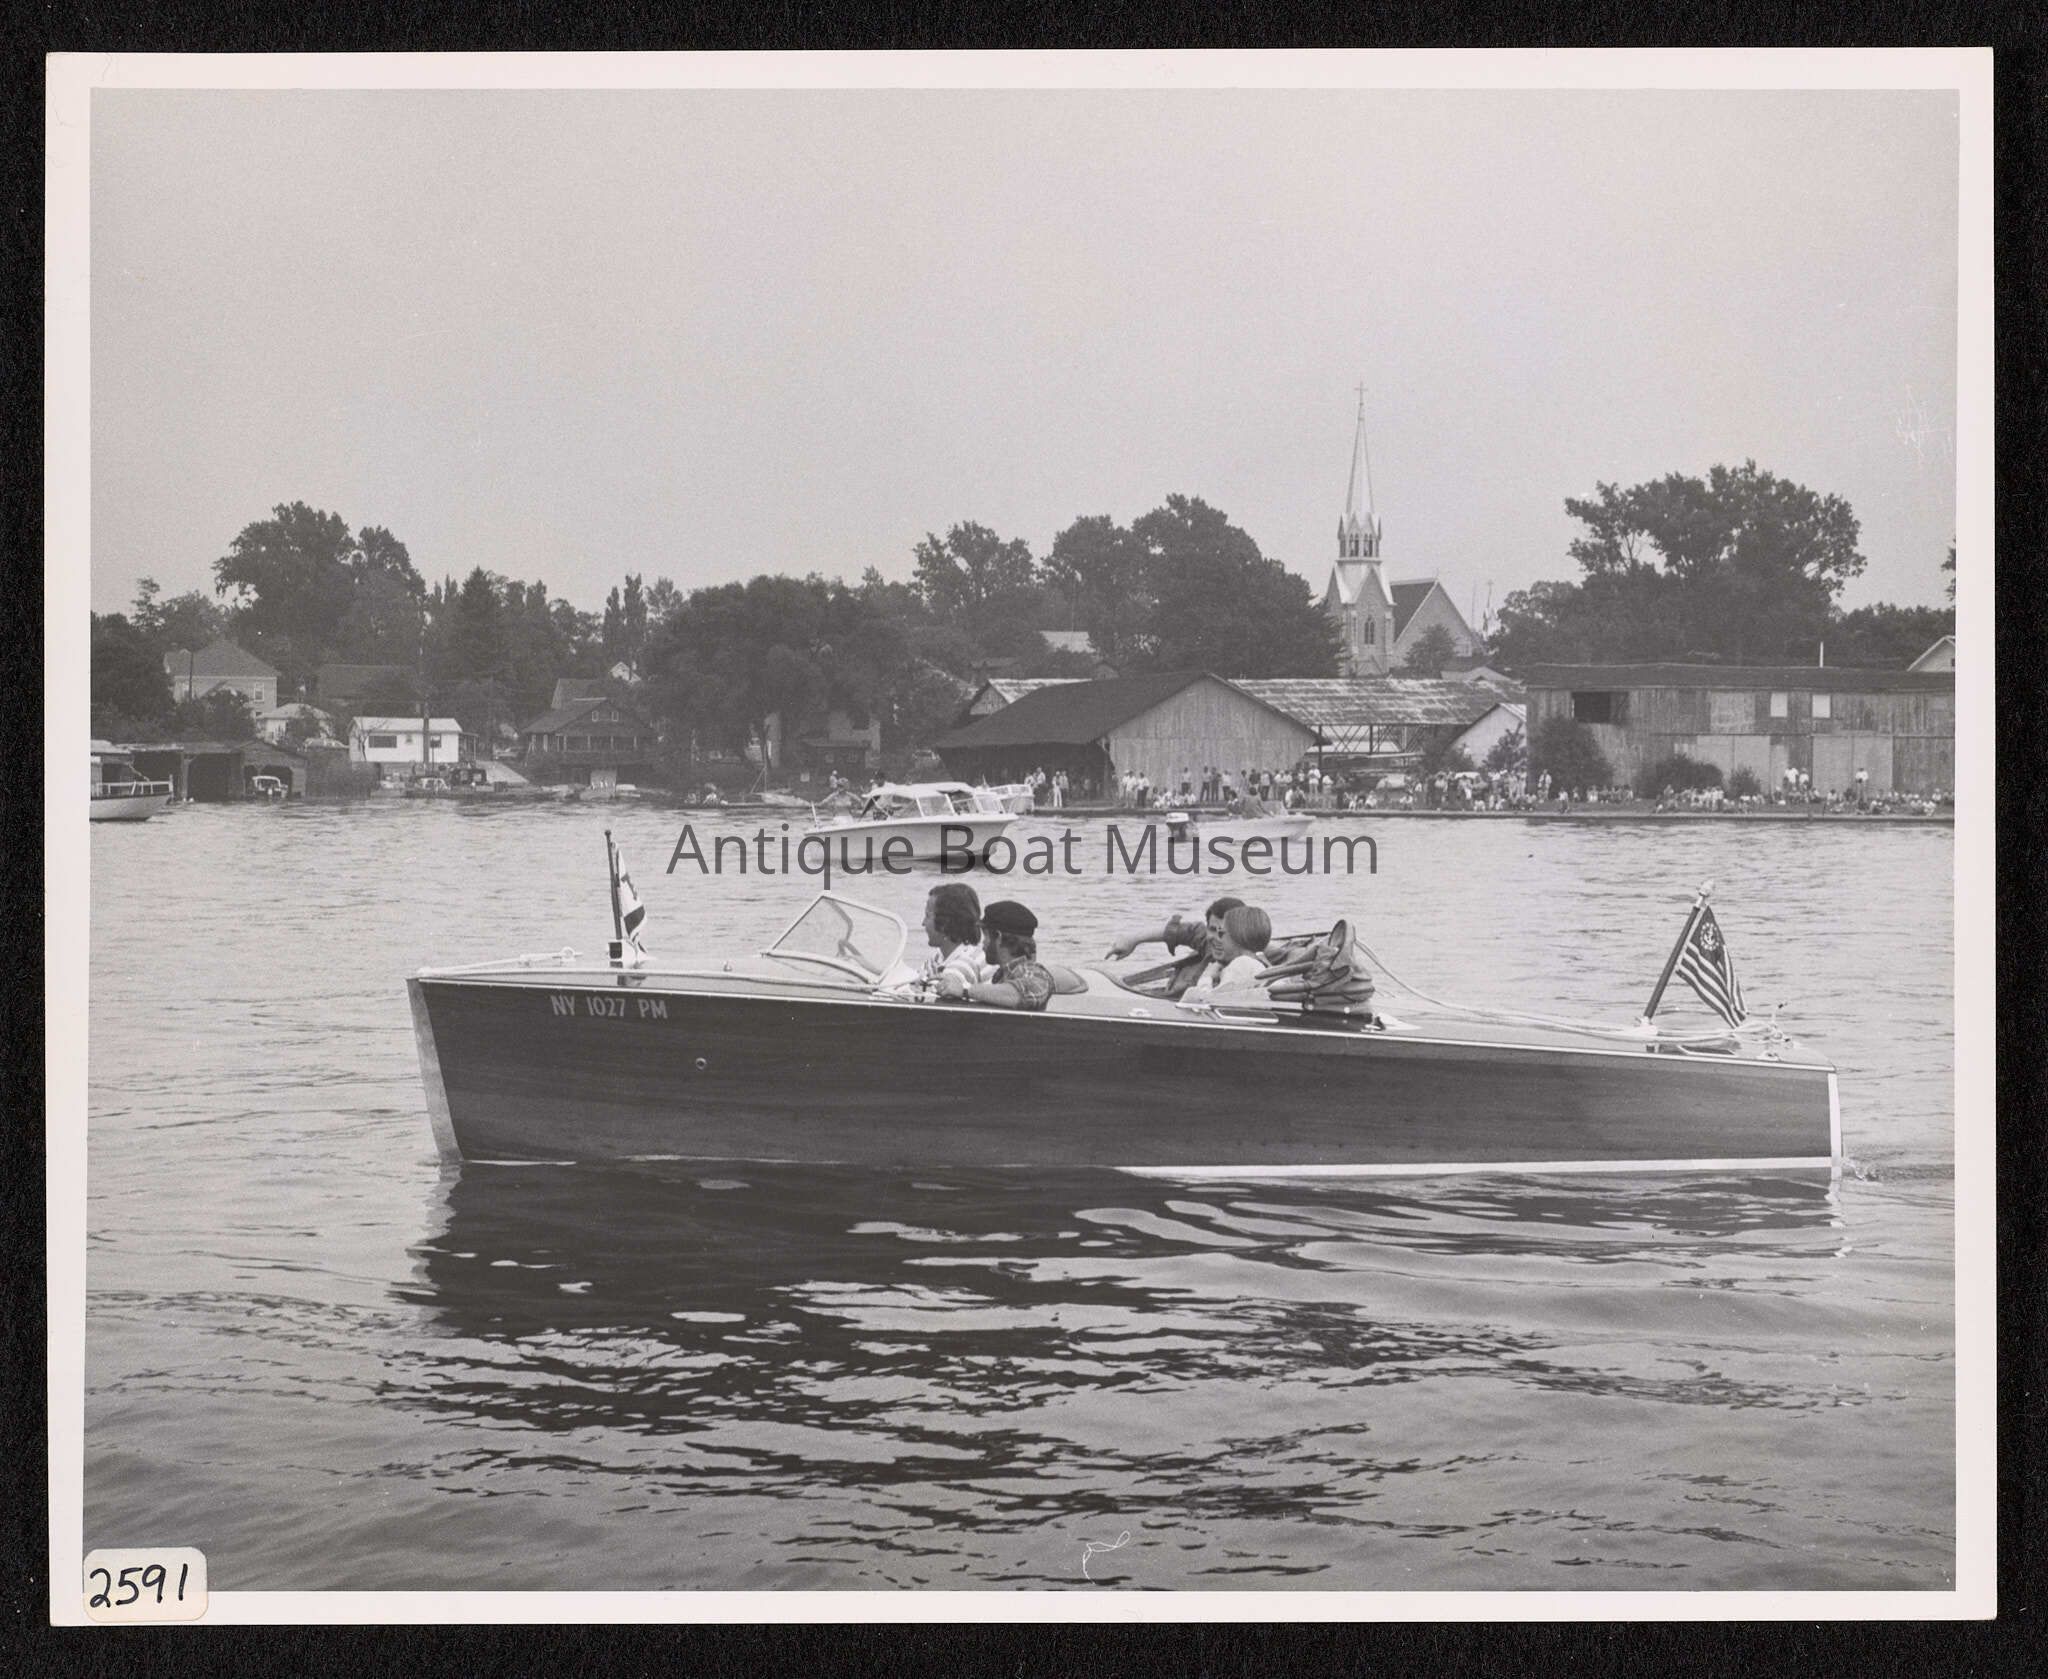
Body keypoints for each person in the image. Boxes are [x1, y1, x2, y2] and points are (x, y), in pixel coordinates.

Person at [938, 899, 1054, 1010]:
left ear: (998, 937)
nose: (983, 943)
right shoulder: (1005, 975)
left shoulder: (1032, 972)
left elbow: (1025, 992)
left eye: (986, 935)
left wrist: (964, 989)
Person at [917, 882, 987, 990]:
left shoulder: (969, 961)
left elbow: (941, 990)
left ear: (944, 923)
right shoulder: (938, 959)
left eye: (927, 916)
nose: (923, 923)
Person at [1189, 905, 1273, 991]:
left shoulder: (1242, 964)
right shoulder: (1261, 963)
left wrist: (1206, 977)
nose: (1220, 938)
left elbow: (1205, 998)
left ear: (1236, 937)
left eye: (1222, 933)